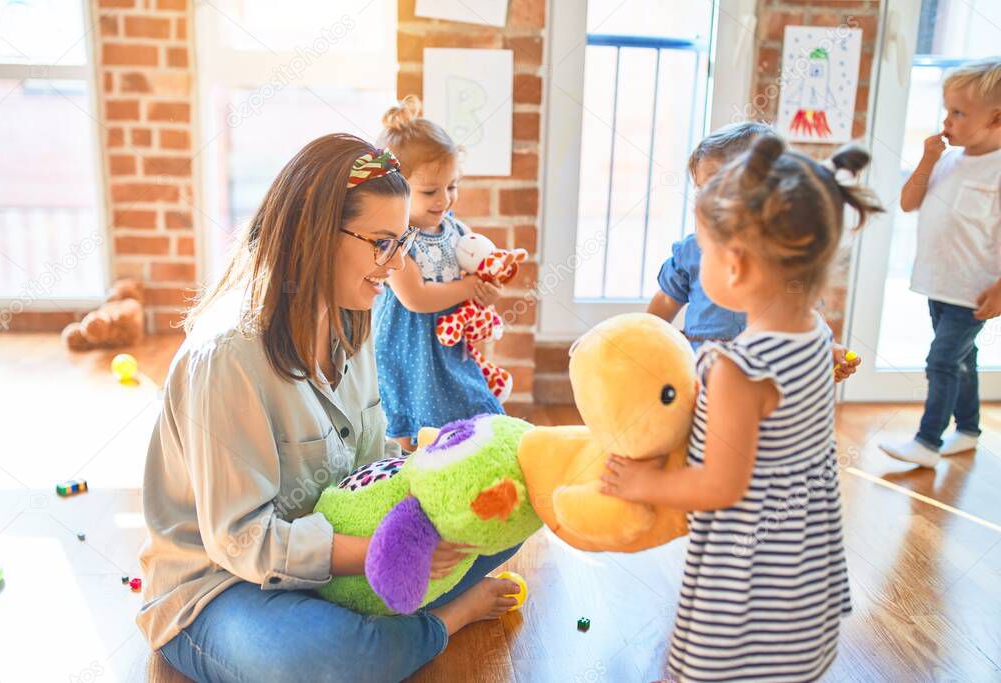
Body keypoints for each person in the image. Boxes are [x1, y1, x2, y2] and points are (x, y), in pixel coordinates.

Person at [137, 134, 520, 682]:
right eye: (383, 242)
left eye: (404, 240)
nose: (397, 263)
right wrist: (382, 556)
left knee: (503, 507)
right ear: (317, 234)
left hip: (333, 561)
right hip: (221, 588)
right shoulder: (227, 356)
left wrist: (427, 505)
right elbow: (242, 541)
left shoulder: (353, 320)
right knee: (335, 660)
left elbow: (373, 464)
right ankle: (441, 622)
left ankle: (380, 625)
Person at [602, 134, 884, 681]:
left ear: (734, 265)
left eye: (703, 250)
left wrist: (643, 485)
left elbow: (720, 486)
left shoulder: (736, 367)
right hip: (805, 564)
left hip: (749, 573)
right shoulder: (815, 337)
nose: (696, 259)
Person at [649, 121, 861, 381]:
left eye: (721, 188)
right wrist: (639, 339)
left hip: (768, 379)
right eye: (703, 189)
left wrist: (825, 350)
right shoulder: (692, 250)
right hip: (700, 375)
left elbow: (804, 313)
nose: (707, 201)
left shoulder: (784, 256)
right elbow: (666, 301)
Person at [880, 57, 1001, 467]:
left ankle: (927, 441)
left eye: (959, 112)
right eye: (947, 110)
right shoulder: (949, 160)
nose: (947, 120)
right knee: (962, 359)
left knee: (942, 360)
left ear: (997, 118)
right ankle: (968, 428)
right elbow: (909, 202)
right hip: (939, 282)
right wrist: (928, 160)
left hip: (975, 288)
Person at [373, 96, 510, 451]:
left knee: (474, 413)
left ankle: (470, 464)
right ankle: (419, 474)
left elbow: (478, 276)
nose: (445, 200)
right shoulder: (395, 238)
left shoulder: (456, 229)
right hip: (411, 350)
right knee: (419, 430)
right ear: (395, 189)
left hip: (451, 349)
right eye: (430, 191)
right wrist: (467, 287)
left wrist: (484, 293)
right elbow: (415, 297)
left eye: (451, 186)